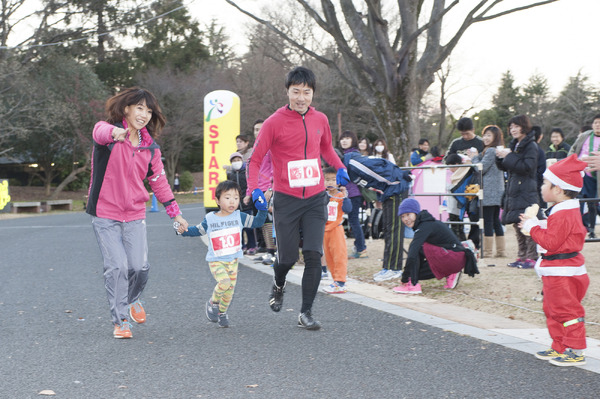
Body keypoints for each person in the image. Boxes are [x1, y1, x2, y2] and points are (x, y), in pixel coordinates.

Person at [247, 66, 349, 330]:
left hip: (315, 198)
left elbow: (326, 146)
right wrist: (254, 189)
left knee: (314, 254)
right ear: (287, 92)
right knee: (288, 258)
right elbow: (255, 159)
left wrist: (340, 167)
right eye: (296, 92)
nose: (301, 97)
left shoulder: (321, 119)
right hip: (286, 199)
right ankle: (278, 284)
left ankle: (306, 312)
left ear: (312, 93)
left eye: (307, 92)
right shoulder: (274, 122)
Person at [87, 87, 189, 339]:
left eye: (149, 110)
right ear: (126, 109)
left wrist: (175, 213)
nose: (144, 114)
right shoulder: (107, 135)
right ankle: (120, 320)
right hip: (105, 212)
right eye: (140, 108)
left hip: (134, 212)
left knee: (140, 267)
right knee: (117, 266)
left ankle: (132, 299)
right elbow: (99, 132)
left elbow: (159, 182)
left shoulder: (151, 148)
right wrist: (115, 132)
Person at [520, 155, 589, 366]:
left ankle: (575, 350)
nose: (542, 187)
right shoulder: (563, 210)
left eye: (545, 183)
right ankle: (559, 346)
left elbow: (551, 242)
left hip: (562, 271)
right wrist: (538, 223)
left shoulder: (564, 213)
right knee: (552, 309)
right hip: (558, 269)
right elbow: (558, 234)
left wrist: (533, 227)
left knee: (566, 311)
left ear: (558, 189)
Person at [176, 181, 268, 327]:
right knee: (224, 282)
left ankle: (222, 312)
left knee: (229, 292)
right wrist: (183, 231)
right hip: (216, 260)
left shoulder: (240, 216)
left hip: (233, 262)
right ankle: (212, 302)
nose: (232, 201)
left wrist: (262, 209)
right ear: (217, 200)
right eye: (227, 197)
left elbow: (257, 222)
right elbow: (198, 230)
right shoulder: (211, 218)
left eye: (236, 198)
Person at [342, 151, 412, 282]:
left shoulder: (354, 164)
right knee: (387, 229)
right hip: (388, 192)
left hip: (396, 189)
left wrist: (389, 188)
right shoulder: (350, 166)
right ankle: (387, 267)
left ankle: (395, 268)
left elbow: (385, 174)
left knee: (394, 230)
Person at [392, 199, 478, 294]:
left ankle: (412, 284)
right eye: (402, 216)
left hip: (454, 259)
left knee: (418, 248)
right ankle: (450, 273)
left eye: (408, 214)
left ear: (416, 213)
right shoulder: (428, 223)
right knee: (416, 269)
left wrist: (405, 278)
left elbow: (412, 254)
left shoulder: (424, 226)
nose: (405, 219)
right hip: (456, 259)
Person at [496, 115, 539, 269]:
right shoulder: (515, 144)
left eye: (516, 126)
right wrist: (500, 158)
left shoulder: (531, 145)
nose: (512, 130)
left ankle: (532, 257)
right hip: (515, 189)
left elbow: (527, 167)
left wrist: (509, 156)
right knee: (517, 224)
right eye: (511, 127)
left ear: (524, 127)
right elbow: (509, 166)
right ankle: (522, 256)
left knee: (527, 224)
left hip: (526, 189)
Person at [471, 125, 505, 258]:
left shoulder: (490, 151)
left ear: (495, 137)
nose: (485, 138)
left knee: (488, 221)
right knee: (495, 220)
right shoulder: (493, 150)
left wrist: (474, 158)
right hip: (496, 191)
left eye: (489, 135)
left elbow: (481, 168)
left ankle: (488, 252)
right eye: (484, 135)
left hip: (490, 191)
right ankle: (501, 251)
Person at [568, 114, 600, 238]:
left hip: (595, 177)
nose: (598, 125)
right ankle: (577, 228)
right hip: (580, 173)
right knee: (577, 202)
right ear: (592, 125)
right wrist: (572, 161)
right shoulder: (585, 135)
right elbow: (573, 149)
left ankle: (591, 230)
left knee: (592, 203)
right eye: (596, 122)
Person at [322, 167, 352, 294]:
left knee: (338, 256)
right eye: (327, 180)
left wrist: (345, 195)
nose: (330, 183)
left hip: (336, 230)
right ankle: (335, 280)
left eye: (333, 180)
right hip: (324, 230)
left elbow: (348, 209)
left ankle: (340, 281)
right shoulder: (322, 196)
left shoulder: (340, 196)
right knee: (328, 257)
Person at [338, 130, 367, 258]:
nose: (344, 141)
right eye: (342, 138)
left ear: (353, 140)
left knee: (353, 221)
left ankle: (361, 249)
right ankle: (359, 247)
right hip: (348, 192)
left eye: (347, 138)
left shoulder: (353, 155)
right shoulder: (346, 154)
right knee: (352, 220)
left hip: (353, 193)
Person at [445, 154, 480, 249]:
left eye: (450, 166)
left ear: (456, 164)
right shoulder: (466, 171)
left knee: (457, 227)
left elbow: (456, 189)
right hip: (462, 203)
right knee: (459, 227)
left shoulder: (463, 173)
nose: (450, 169)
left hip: (460, 204)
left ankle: (461, 246)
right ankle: (464, 245)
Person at [226, 151, 257, 255]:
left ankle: (252, 245)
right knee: (238, 227)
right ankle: (241, 245)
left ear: (242, 160)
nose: (236, 162)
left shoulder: (247, 171)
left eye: (238, 160)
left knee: (249, 227)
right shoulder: (231, 174)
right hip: (235, 205)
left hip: (247, 203)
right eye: (234, 161)